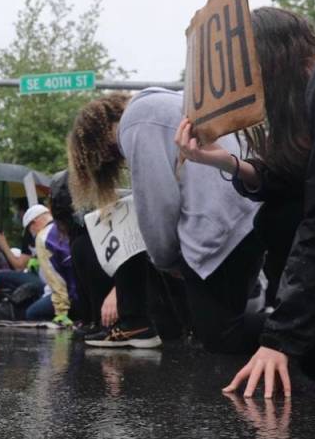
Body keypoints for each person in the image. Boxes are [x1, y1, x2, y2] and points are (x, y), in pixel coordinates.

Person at [178, 10, 315, 396]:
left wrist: (281, 341)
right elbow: (301, 180)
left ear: (268, 64)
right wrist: (225, 160)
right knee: (279, 218)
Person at [68, 92, 263, 352]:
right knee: (223, 322)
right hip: (246, 208)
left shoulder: (136, 123)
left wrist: (165, 260)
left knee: (222, 335)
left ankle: (305, 334)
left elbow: (156, 202)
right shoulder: (165, 103)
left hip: (219, 224)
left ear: (97, 146)